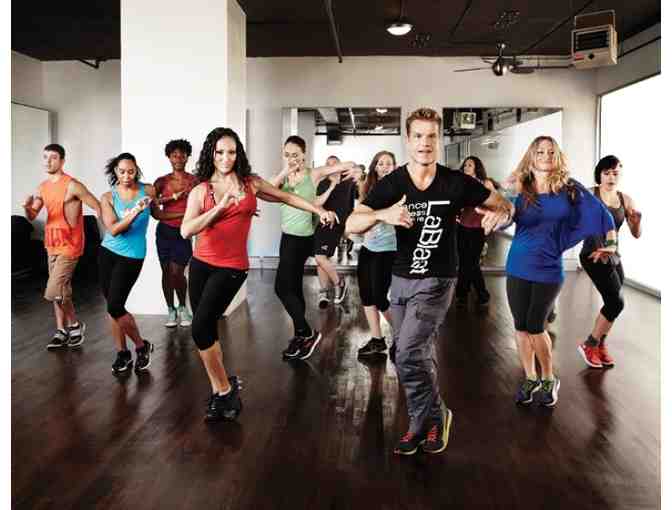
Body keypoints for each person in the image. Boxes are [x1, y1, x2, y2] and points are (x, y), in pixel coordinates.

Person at [346, 108, 514, 456]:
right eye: (418, 136)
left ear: (439, 140)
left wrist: (501, 213)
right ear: (408, 140)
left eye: (432, 136)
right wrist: (383, 214)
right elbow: (351, 223)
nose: (425, 143)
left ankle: (431, 417)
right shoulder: (393, 184)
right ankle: (425, 421)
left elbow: (502, 204)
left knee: (408, 351)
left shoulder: (456, 182)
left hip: (438, 278)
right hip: (401, 278)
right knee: (406, 353)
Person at [180, 127, 337, 421]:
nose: (225, 158)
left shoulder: (250, 183)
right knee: (207, 329)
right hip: (201, 265)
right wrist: (221, 207)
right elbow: (186, 230)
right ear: (211, 154)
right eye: (219, 152)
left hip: (232, 267)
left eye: (231, 152)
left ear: (237, 154)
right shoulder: (202, 190)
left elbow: (285, 196)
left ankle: (225, 392)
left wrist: (318, 211)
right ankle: (220, 390)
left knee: (199, 328)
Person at [504, 136, 617, 408]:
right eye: (540, 152)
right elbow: (503, 214)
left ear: (557, 157)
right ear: (531, 156)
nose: (545, 156)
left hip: (548, 267)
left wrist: (612, 244)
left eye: (550, 152)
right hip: (517, 264)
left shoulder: (569, 188)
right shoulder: (520, 186)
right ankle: (530, 377)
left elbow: (602, 214)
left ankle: (548, 377)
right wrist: (501, 198)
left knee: (535, 326)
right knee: (520, 327)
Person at [270, 136, 359, 361]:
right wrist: (285, 170)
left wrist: (355, 169)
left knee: (281, 288)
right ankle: (300, 337)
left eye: (295, 155)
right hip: (286, 238)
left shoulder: (314, 174)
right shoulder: (282, 178)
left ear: (304, 154)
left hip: (301, 239)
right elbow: (270, 190)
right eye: (287, 154)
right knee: (293, 288)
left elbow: (347, 164)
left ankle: (306, 332)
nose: (291, 159)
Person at [22, 143, 101, 349]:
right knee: (62, 289)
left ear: (62, 161)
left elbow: (98, 206)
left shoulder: (73, 185)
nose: (48, 161)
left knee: (53, 290)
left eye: (53, 157)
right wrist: (26, 208)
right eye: (45, 157)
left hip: (71, 244)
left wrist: (115, 231)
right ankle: (62, 330)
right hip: (51, 243)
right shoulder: (43, 187)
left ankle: (75, 324)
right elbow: (33, 215)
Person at [577, 155, 642, 368]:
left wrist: (636, 223)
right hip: (593, 255)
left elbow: (636, 234)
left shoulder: (625, 199)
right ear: (600, 175)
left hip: (613, 256)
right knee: (617, 302)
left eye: (615, 173)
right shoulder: (589, 194)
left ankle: (600, 345)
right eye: (607, 173)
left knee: (612, 304)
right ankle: (589, 344)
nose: (611, 177)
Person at [99, 153, 156, 374]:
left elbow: (158, 213)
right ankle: (123, 353)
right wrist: (136, 211)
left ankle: (141, 347)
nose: (126, 176)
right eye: (122, 171)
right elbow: (114, 229)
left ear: (136, 170)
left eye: (131, 171)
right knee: (113, 308)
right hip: (108, 252)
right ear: (115, 171)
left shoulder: (148, 190)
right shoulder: (108, 197)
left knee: (115, 305)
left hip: (132, 255)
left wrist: (184, 218)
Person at [151, 139, 199, 328]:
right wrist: (183, 213)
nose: (178, 159)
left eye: (182, 155)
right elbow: (156, 213)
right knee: (166, 272)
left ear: (187, 157)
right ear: (169, 157)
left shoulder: (194, 181)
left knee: (177, 272)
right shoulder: (161, 182)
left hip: (184, 232)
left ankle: (182, 307)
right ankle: (170, 309)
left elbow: (202, 206)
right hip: (164, 232)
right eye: (174, 155)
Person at [356, 151, 397, 358]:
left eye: (389, 163)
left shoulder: (399, 189)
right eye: (381, 163)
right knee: (366, 294)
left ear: (395, 167)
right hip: (368, 247)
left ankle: (403, 337)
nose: (385, 167)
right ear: (375, 167)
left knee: (380, 297)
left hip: (387, 249)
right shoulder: (368, 188)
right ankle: (377, 339)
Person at [313, 155, 358, 308]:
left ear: (340, 166)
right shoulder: (323, 183)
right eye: (328, 164)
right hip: (323, 223)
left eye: (334, 164)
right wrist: (331, 186)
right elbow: (318, 204)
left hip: (336, 225)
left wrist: (348, 227)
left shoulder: (349, 182)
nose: (331, 167)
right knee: (321, 259)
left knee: (320, 257)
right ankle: (324, 291)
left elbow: (351, 205)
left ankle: (339, 283)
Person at [455, 156, 496, 308]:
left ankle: (482, 294)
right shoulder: (461, 183)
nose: (466, 167)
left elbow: (495, 202)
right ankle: (462, 294)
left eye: (470, 165)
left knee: (472, 263)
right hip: (462, 227)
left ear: (476, 168)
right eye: (465, 165)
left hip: (478, 228)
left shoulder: (485, 183)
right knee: (464, 262)